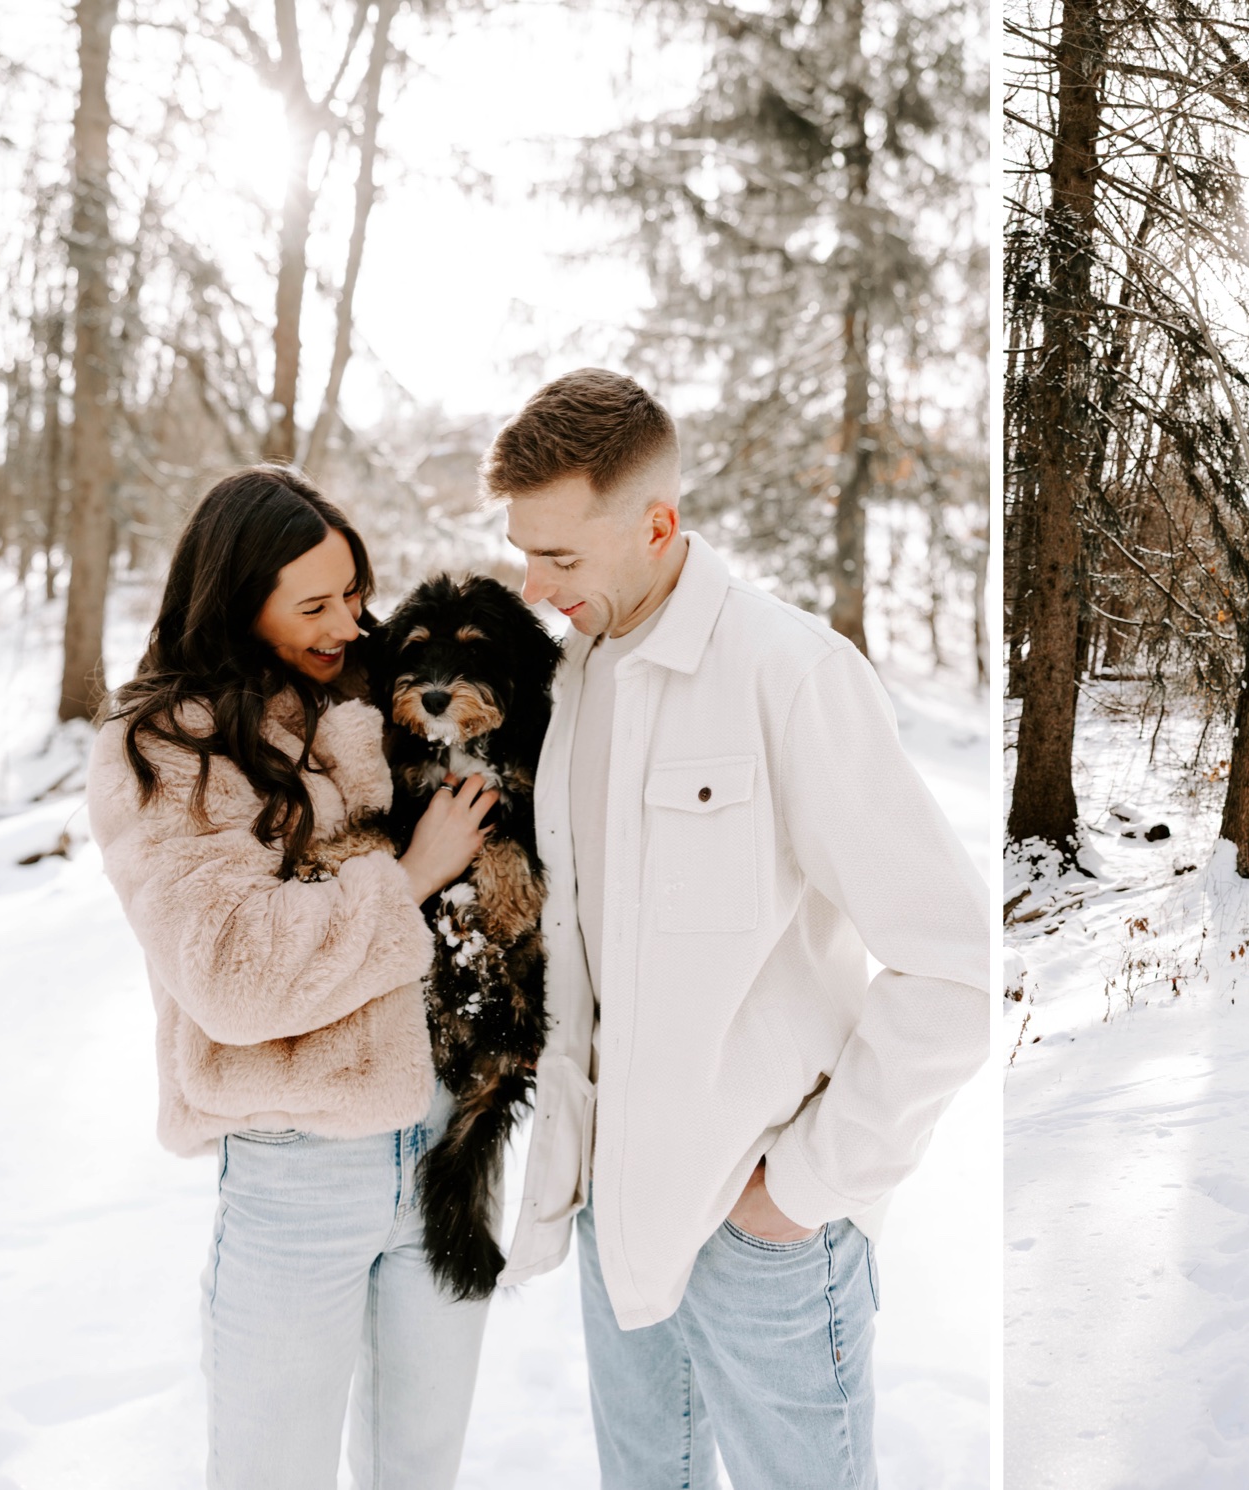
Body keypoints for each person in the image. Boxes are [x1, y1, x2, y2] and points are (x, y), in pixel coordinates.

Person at [483, 369, 989, 1490]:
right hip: (621, 1207)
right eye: (523, 551)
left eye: (560, 556)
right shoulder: (568, 682)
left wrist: (800, 1190)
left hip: (765, 1233)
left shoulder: (788, 671)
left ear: (659, 524)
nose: (534, 582)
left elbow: (953, 965)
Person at [86, 466, 502, 1488]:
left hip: (450, 1142)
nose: (350, 624)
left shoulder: (380, 697)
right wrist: (406, 877)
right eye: (313, 604)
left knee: (421, 1467)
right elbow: (231, 973)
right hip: (299, 1165)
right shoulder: (164, 748)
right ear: (236, 599)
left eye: (355, 592)